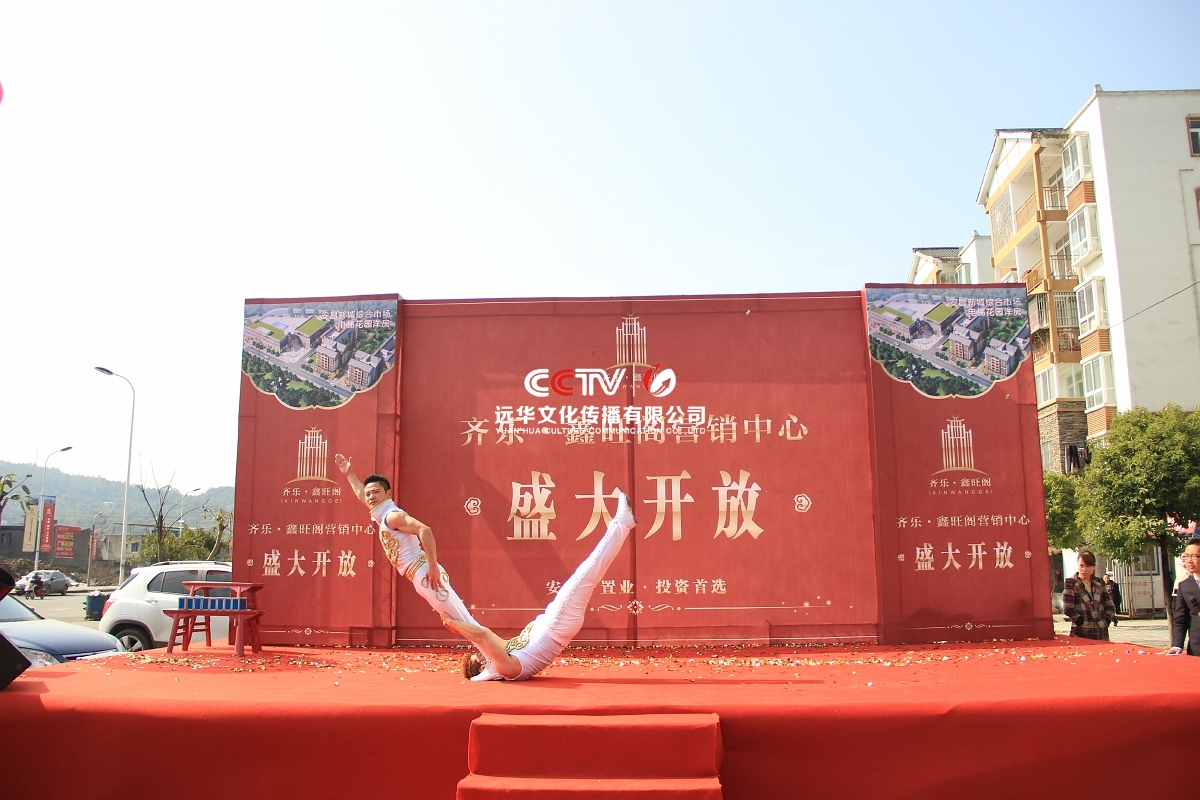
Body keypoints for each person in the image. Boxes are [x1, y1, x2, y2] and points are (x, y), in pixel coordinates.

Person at [442, 490, 636, 681]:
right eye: (480, 656)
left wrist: (459, 627)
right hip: (557, 625)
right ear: (483, 667)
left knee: (588, 574)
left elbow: (483, 634)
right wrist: (453, 623)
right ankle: (622, 523)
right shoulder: (506, 669)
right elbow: (482, 635)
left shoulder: (507, 655)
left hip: (555, 624)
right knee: (588, 572)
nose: (482, 652)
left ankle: (622, 523)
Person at [333, 454, 478, 629]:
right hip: (418, 574)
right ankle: (489, 647)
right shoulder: (382, 514)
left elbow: (425, 530)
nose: (370, 497)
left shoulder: (392, 516)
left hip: (425, 572)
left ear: (388, 494)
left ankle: (495, 648)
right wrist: (349, 473)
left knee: (462, 621)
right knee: (458, 622)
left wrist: (432, 566)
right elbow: (360, 493)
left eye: (376, 492)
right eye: (368, 494)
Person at [1061, 550, 1116, 640]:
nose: (1084, 569)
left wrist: (1107, 620)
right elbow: (1068, 608)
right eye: (1081, 565)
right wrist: (1080, 621)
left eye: (1088, 566)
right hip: (1080, 633)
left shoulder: (1099, 582)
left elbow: (1110, 606)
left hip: (1101, 632)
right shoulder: (1071, 582)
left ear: (1094, 567)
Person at [1166, 536, 1200, 656]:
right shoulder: (1184, 585)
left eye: (1194, 556)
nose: (1189, 561)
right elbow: (1180, 619)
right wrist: (1177, 645)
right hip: (1196, 647)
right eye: (1186, 556)